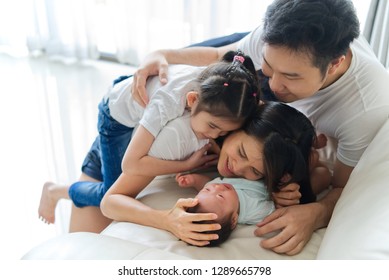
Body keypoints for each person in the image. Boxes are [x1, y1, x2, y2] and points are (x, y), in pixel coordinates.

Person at [129, 0, 389, 254]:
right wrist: (162, 54)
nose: (274, 85)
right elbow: (221, 57)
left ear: (335, 64)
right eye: (270, 66)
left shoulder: (365, 110)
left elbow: (342, 185)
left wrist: (316, 213)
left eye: (291, 76)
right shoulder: (273, 41)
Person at [38, 50, 260, 231]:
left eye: (222, 134)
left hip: (138, 94)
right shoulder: (166, 103)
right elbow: (131, 164)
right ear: (192, 100)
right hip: (115, 115)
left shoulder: (224, 87)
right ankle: (56, 191)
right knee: (107, 191)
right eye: (212, 127)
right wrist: (186, 165)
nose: (213, 137)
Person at [101, 101, 330, 246]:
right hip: (121, 126)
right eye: (240, 151)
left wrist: (285, 191)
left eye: (255, 171)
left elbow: (321, 172)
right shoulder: (181, 138)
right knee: (97, 191)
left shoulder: (275, 152)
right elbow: (110, 202)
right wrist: (167, 220)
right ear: (239, 125)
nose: (237, 169)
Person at [182, 176, 275, 247]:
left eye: (207, 189)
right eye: (220, 196)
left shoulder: (217, 189)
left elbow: (207, 182)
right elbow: (280, 205)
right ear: (234, 220)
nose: (217, 186)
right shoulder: (256, 210)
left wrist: (194, 181)